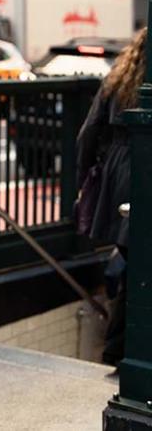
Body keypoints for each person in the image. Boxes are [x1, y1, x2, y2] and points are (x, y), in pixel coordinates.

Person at [77, 28, 146, 367]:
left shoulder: (121, 78)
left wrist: (83, 183)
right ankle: (120, 352)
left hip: (117, 177)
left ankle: (118, 351)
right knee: (138, 268)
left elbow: (88, 133)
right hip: (139, 174)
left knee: (135, 264)